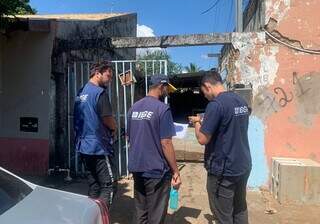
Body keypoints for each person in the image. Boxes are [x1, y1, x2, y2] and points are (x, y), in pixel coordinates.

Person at [189, 71, 252, 224]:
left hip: (223, 170)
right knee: (239, 207)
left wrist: (197, 123)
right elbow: (228, 123)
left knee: (223, 214)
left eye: (204, 93)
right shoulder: (241, 101)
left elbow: (203, 139)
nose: (205, 96)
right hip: (243, 164)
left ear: (207, 86)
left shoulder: (215, 105)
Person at [127, 74, 182, 224]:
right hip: (156, 170)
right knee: (156, 215)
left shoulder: (134, 108)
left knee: (140, 210)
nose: (167, 92)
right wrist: (175, 171)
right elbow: (166, 143)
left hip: (137, 167)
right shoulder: (162, 109)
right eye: (167, 88)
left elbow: (129, 137)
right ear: (161, 86)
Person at [74, 61, 117, 209]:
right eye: (108, 76)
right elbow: (107, 118)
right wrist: (114, 128)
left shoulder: (81, 92)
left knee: (94, 185)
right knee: (109, 186)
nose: (110, 80)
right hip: (99, 146)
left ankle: (90, 217)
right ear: (97, 73)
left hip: (84, 146)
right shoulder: (99, 93)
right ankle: (100, 218)